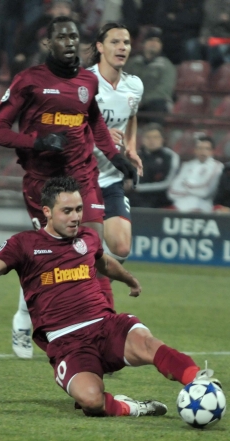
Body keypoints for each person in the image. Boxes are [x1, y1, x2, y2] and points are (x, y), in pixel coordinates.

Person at [0, 176, 220, 418]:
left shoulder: (88, 237)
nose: (75, 217)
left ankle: (200, 381)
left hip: (104, 324)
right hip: (66, 341)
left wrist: (128, 278)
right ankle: (135, 408)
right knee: (91, 400)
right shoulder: (24, 244)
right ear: (47, 212)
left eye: (78, 209)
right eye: (67, 211)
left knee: (148, 343)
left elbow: (104, 263)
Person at [0, 16, 138, 359]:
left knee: (92, 247)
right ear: (47, 43)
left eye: (74, 36)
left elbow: (94, 122)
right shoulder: (29, 81)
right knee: (50, 254)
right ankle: (25, 316)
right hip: (42, 183)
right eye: (62, 36)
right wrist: (35, 141)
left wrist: (117, 158)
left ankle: (106, 320)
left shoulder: (88, 80)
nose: (70, 41)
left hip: (82, 177)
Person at [87, 22, 144, 306]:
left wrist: (130, 147)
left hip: (109, 177)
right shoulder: (83, 82)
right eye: (115, 42)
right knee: (74, 252)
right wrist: (98, 133)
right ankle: (26, 309)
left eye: (126, 42)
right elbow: (64, 126)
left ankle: (94, 295)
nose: (122, 47)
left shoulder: (135, 86)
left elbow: (131, 117)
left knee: (121, 246)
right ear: (100, 46)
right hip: (79, 178)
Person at [127, 123, 180, 209]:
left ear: (162, 139)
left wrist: (139, 188)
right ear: (142, 139)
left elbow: (168, 183)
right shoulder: (135, 156)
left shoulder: (170, 156)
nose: (152, 140)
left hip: (160, 197)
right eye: (148, 137)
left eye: (155, 137)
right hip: (135, 196)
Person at [124, 27, 176, 113]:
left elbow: (164, 90)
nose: (154, 43)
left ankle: (154, 126)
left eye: (158, 41)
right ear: (144, 43)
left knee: (159, 104)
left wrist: (143, 101)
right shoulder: (133, 63)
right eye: (150, 40)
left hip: (154, 104)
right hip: (132, 103)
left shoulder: (166, 65)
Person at [168, 135, 224, 213]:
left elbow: (205, 192)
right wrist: (192, 189)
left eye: (206, 149)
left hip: (203, 206)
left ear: (212, 151)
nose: (203, 151)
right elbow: (171, 192)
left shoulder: (218, 167)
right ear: (195, 150)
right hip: (180, 205)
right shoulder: (186, 165)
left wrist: (185, 185)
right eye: (200, 148)